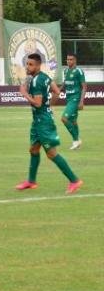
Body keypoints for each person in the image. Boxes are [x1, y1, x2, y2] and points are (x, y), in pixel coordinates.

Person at [15, 53, 83, 194]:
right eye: (27, 64)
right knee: (33, 150)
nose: (28, 67)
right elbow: (57, 91)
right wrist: (50, 106)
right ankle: (31, 181)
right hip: (38, 120)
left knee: (51, 154)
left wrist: (24, 93)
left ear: (38, 65)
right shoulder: (44, 77)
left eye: (31, 64)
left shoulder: (37, 81)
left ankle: (74, 180)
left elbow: (38, 103)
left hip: (43, 122)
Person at [60, 53, 87, 150]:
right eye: (67, 59)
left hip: (75, 99)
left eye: (71, 59)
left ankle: (76, 140)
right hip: (69, 98)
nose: (68, 61)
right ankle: (77, 143)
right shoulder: (66, 70)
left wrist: (81, 101)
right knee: (73, 121)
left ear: (75, 60)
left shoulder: (79, 71)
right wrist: (59, 90)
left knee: (64, 119)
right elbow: (65, 83)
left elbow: (84, 87)